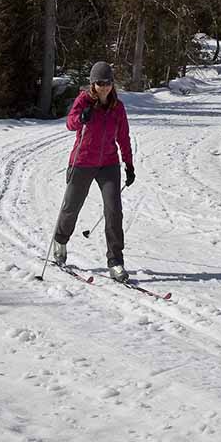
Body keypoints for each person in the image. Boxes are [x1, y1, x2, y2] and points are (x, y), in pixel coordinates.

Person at [52, 61, 136, 282]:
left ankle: (116, 261)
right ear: (93, 83)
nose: (105, 87)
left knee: (114, 211)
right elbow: (70, 123)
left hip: (108, 163)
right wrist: (81, 118)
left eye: (108, 82)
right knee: (71, 206)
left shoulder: (117, 107)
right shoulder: (84, 101)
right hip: (83, 161)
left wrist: (128, 164)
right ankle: (60, 241)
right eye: (100, 83)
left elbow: (124, 138)